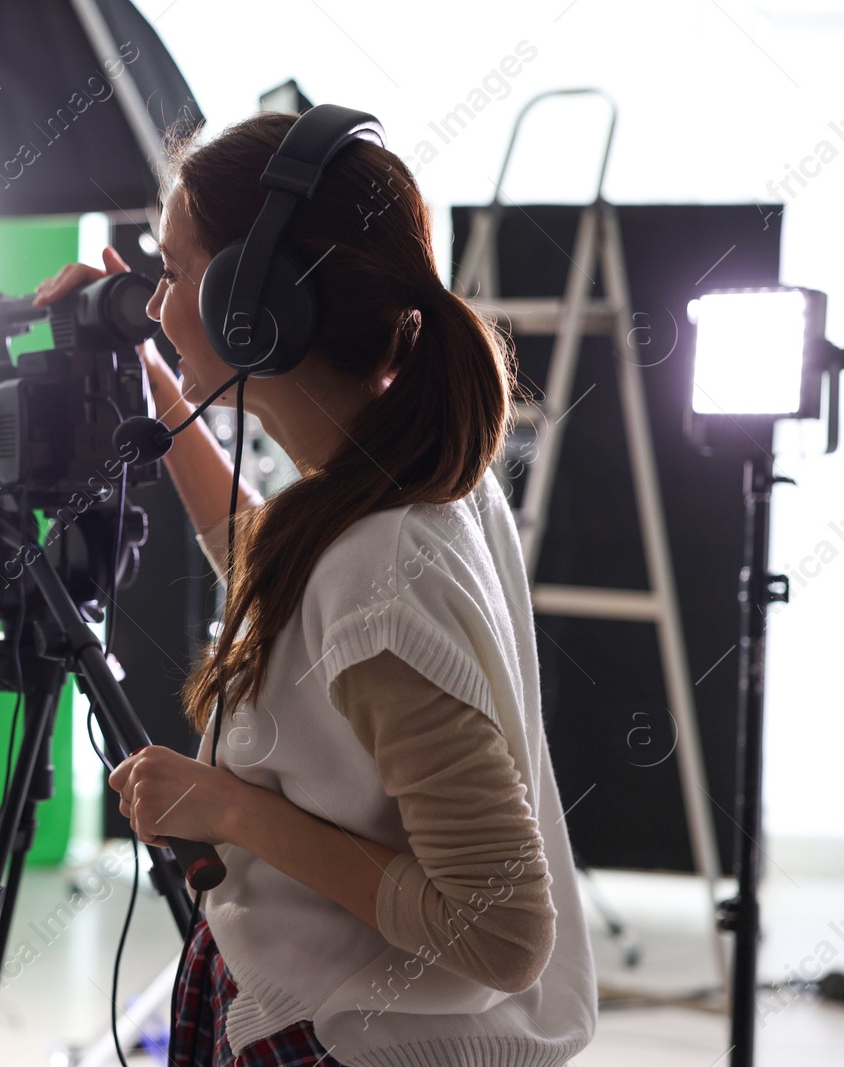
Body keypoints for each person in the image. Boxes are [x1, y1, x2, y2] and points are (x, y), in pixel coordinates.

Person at [35, 112, 597, 1065]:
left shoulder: (379, 569)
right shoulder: (412, 485)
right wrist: (158, 392)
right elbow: (284, 571)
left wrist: (231, 808)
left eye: (170, 272)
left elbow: (502, 931)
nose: (153, 301)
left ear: (253, 305)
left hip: (364, 1039)